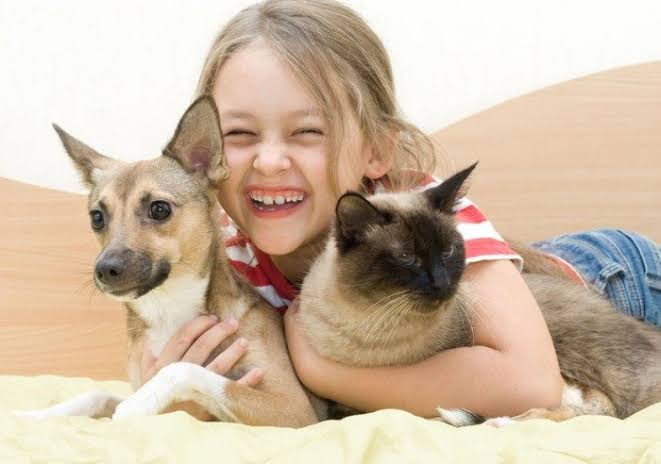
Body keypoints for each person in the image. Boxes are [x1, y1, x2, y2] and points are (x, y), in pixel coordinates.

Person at [140, 0, 661, 419]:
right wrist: (171, 382)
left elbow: (531, 384)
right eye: (239, 133)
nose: (270, 160)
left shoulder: (421, 218)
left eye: (307, 132)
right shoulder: (226, 260)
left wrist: (323, 371)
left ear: (377, 151)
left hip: (613, 278)